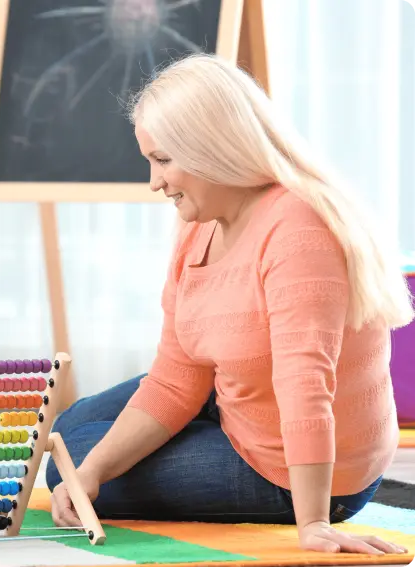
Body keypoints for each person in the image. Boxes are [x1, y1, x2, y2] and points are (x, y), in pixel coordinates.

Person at [46, 54, 413, 556]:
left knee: (72, 455)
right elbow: (177, 376)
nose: (154, 183)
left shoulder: (299, 229)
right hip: (239, 400)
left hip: (301, 470)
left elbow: (305, 384)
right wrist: (91, 473)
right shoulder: (200, 222)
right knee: (67, 438)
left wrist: (314, 523)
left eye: (163, 160)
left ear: (212, 149)